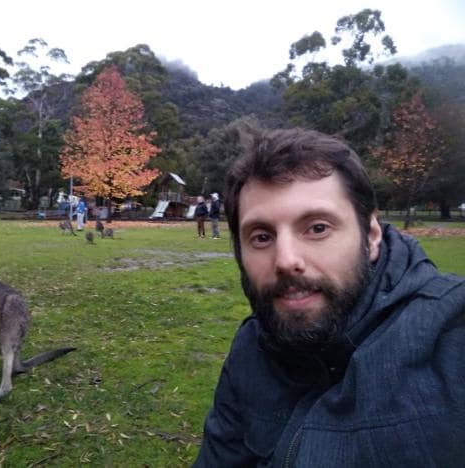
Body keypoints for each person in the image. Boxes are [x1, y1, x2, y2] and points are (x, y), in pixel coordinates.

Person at [194, 127, 465, 467]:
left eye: (317, 228)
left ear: (371, 234)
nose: (286, 260)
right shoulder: (252, 348)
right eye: (262, 237)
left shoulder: (452, 337)